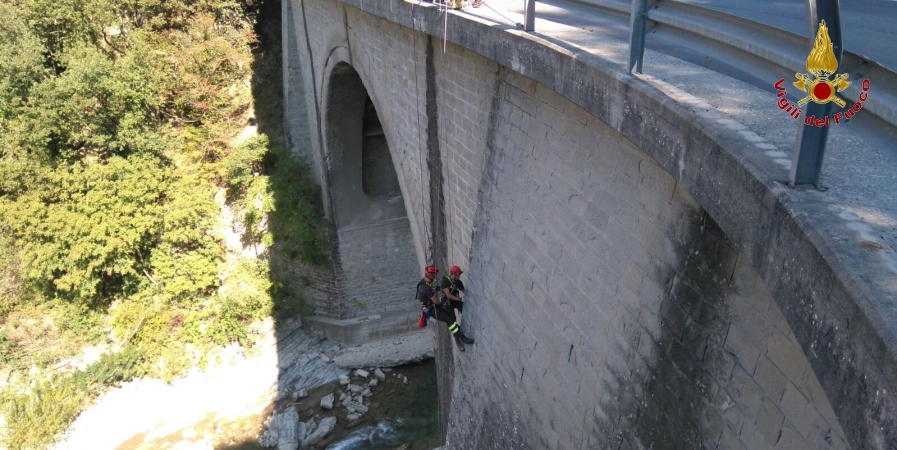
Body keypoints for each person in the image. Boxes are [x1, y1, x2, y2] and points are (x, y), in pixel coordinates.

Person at [417, 265, 474, 351]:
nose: (434, 277)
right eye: (433, 275)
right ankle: (460, 338)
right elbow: (436, 301)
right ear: (429, 275)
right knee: (450, 320)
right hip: (431, 308)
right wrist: (442, 303)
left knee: (451, 320)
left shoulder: (425, 283)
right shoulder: (426, 287)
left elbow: (463, 290)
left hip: (434, 304)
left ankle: (459, 333)